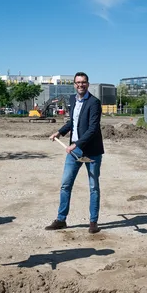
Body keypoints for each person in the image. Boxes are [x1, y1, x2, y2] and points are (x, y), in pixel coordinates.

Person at [46, 72, 104, 234]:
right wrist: (59, 132)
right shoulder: (73, 100)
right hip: (75, 150)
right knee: (65, 184)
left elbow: (93, 128)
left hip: (92, 151)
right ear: (74, 84)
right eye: (78, 82)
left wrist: (76, 143)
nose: (80, 85)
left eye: (83, 82)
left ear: (88, 84)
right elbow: (72, 122)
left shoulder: (94, 102)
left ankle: (93, 222)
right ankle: (61, 219)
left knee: (93, 187)